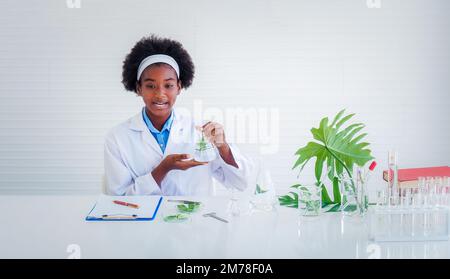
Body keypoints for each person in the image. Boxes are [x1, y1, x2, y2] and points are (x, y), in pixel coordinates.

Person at [104, 35, 252, 195]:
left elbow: (242, 183)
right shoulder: (117, 137)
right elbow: (118, 201)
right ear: (139, 88)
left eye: (168, 85)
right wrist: (163, 169)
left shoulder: (202, 132)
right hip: (144, 220)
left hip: (195, 218)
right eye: (150, 85)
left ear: (179, 87)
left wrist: (223, 147)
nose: (160, 94)